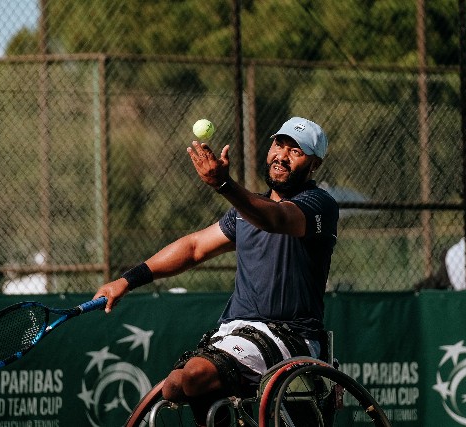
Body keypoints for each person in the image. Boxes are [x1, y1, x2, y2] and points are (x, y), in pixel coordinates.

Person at [93, 116, 338, 425]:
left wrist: (224, 185)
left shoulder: (319, 205)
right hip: (235, 333)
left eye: (296, 151)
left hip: (290, 337)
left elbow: (276, 220)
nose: (282, 156)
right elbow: (194, 247)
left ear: (314, 164)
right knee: (173, 387)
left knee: (196, 375)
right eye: (279, 144)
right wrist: (127, 280)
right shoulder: (243, 213)